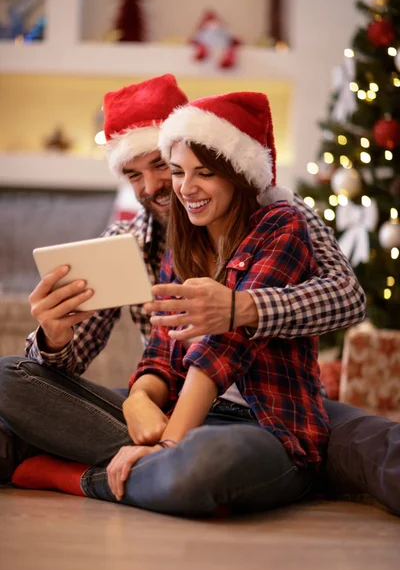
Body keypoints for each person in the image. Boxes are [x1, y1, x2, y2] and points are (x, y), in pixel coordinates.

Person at [0, 75, 398, 515]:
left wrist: (242, 308)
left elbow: (345, 297)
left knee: (223, 458)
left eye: (162, 166)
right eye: (140, 174)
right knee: (9, 377)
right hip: (175, 407)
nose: (161, 187)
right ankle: (154, 464)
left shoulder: (281, 218)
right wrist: (60, 342)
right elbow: (156, 352)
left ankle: (76, 472)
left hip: (267, 409)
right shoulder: (161, 239)